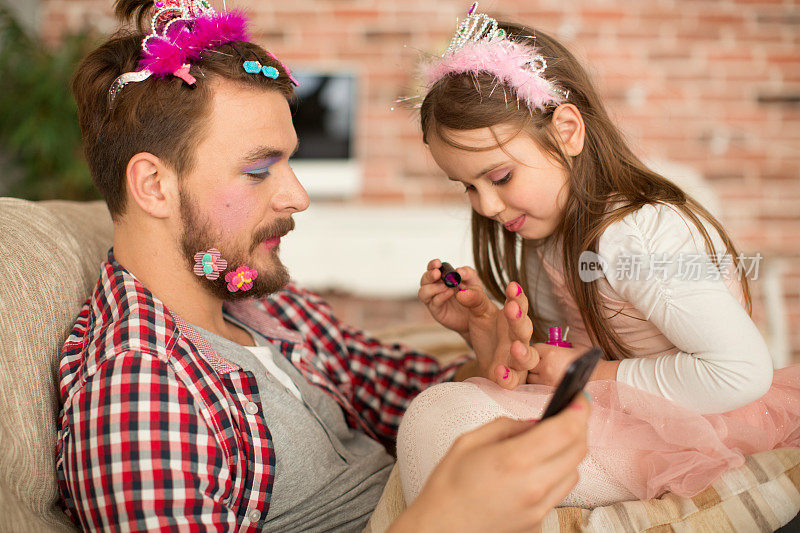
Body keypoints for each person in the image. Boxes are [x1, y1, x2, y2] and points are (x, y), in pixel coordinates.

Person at [55, 0, 590, 530]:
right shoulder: (138, 389)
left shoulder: (258, 298)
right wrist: (445, 520)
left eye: (292, 162)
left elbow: (381, 385)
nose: (298, 196)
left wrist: (481, 359)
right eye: (259, 171)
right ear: (154, 186)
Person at [399, 3, 800, 508]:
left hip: (694, 424)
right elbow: (546, 372)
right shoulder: (547, 237)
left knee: (443, 426)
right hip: (614, 415)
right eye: (468, 187)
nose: (487, 206)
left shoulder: (636, 237)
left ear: (567, 131)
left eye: (499, 177)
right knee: (444, 422)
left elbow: (739, 373)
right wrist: (484, 328)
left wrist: (588, 374)